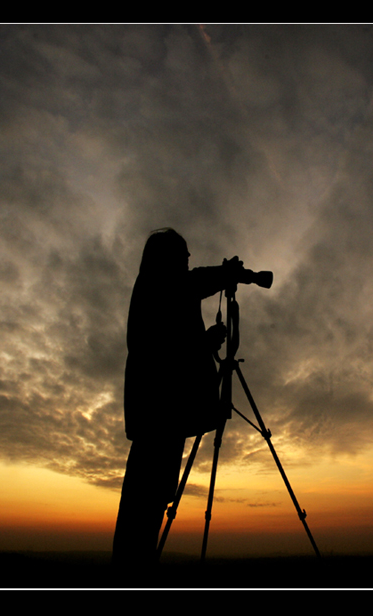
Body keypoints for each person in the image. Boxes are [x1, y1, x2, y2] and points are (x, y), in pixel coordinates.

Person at [111, 228, 234, 566]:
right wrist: (228, 275)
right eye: (183, 256)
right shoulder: (159, 284)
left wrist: (206, 343)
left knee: (149, 503)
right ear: (167, 258)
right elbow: (189, 286)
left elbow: (173, 351)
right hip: (159, 418)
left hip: (163, 416)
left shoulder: (160, 291)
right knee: (143, 508)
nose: (187, 262)